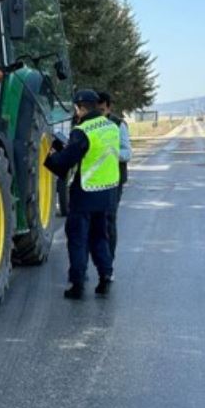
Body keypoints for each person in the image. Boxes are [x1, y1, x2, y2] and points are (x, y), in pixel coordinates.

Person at [45, 90, 122, 299]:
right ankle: (105, 276)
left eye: (76, 109)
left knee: (78, 239)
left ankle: (77, 284)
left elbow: (65, 161)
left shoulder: (82, 131)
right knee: (100, 237)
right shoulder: (112, 126)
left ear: (80, 107)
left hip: (85, 193)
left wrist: (52, 156)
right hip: (107, 192)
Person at [97, 91, 132, 261]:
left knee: (109, 219)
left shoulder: (119, 125)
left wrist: (111, 153)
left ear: (109, 108)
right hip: (92, 180)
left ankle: (108, 262)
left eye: (102, 110)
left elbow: (127, 153)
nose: (100, 114)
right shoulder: (87, 124)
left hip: (113, 180)